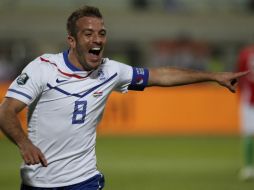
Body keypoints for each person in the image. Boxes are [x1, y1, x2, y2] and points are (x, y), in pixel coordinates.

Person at [0, 5, 248, 190]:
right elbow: (6, 111)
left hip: (83, 181)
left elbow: (161, 76)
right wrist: (25, 144)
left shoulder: (111, 70)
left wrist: (213, 75)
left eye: (102, 33)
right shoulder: (43, 68)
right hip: (37, 182)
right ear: (72, 41)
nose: (97, 39)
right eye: (88, 34)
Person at [237, 45, 254, 180]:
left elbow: (239, 76)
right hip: (249, 100)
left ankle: (248, 167)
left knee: (248, 134)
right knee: (248, 134)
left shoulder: (246, 54)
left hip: (248, 100)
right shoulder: (245, 54)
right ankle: (248, 167)